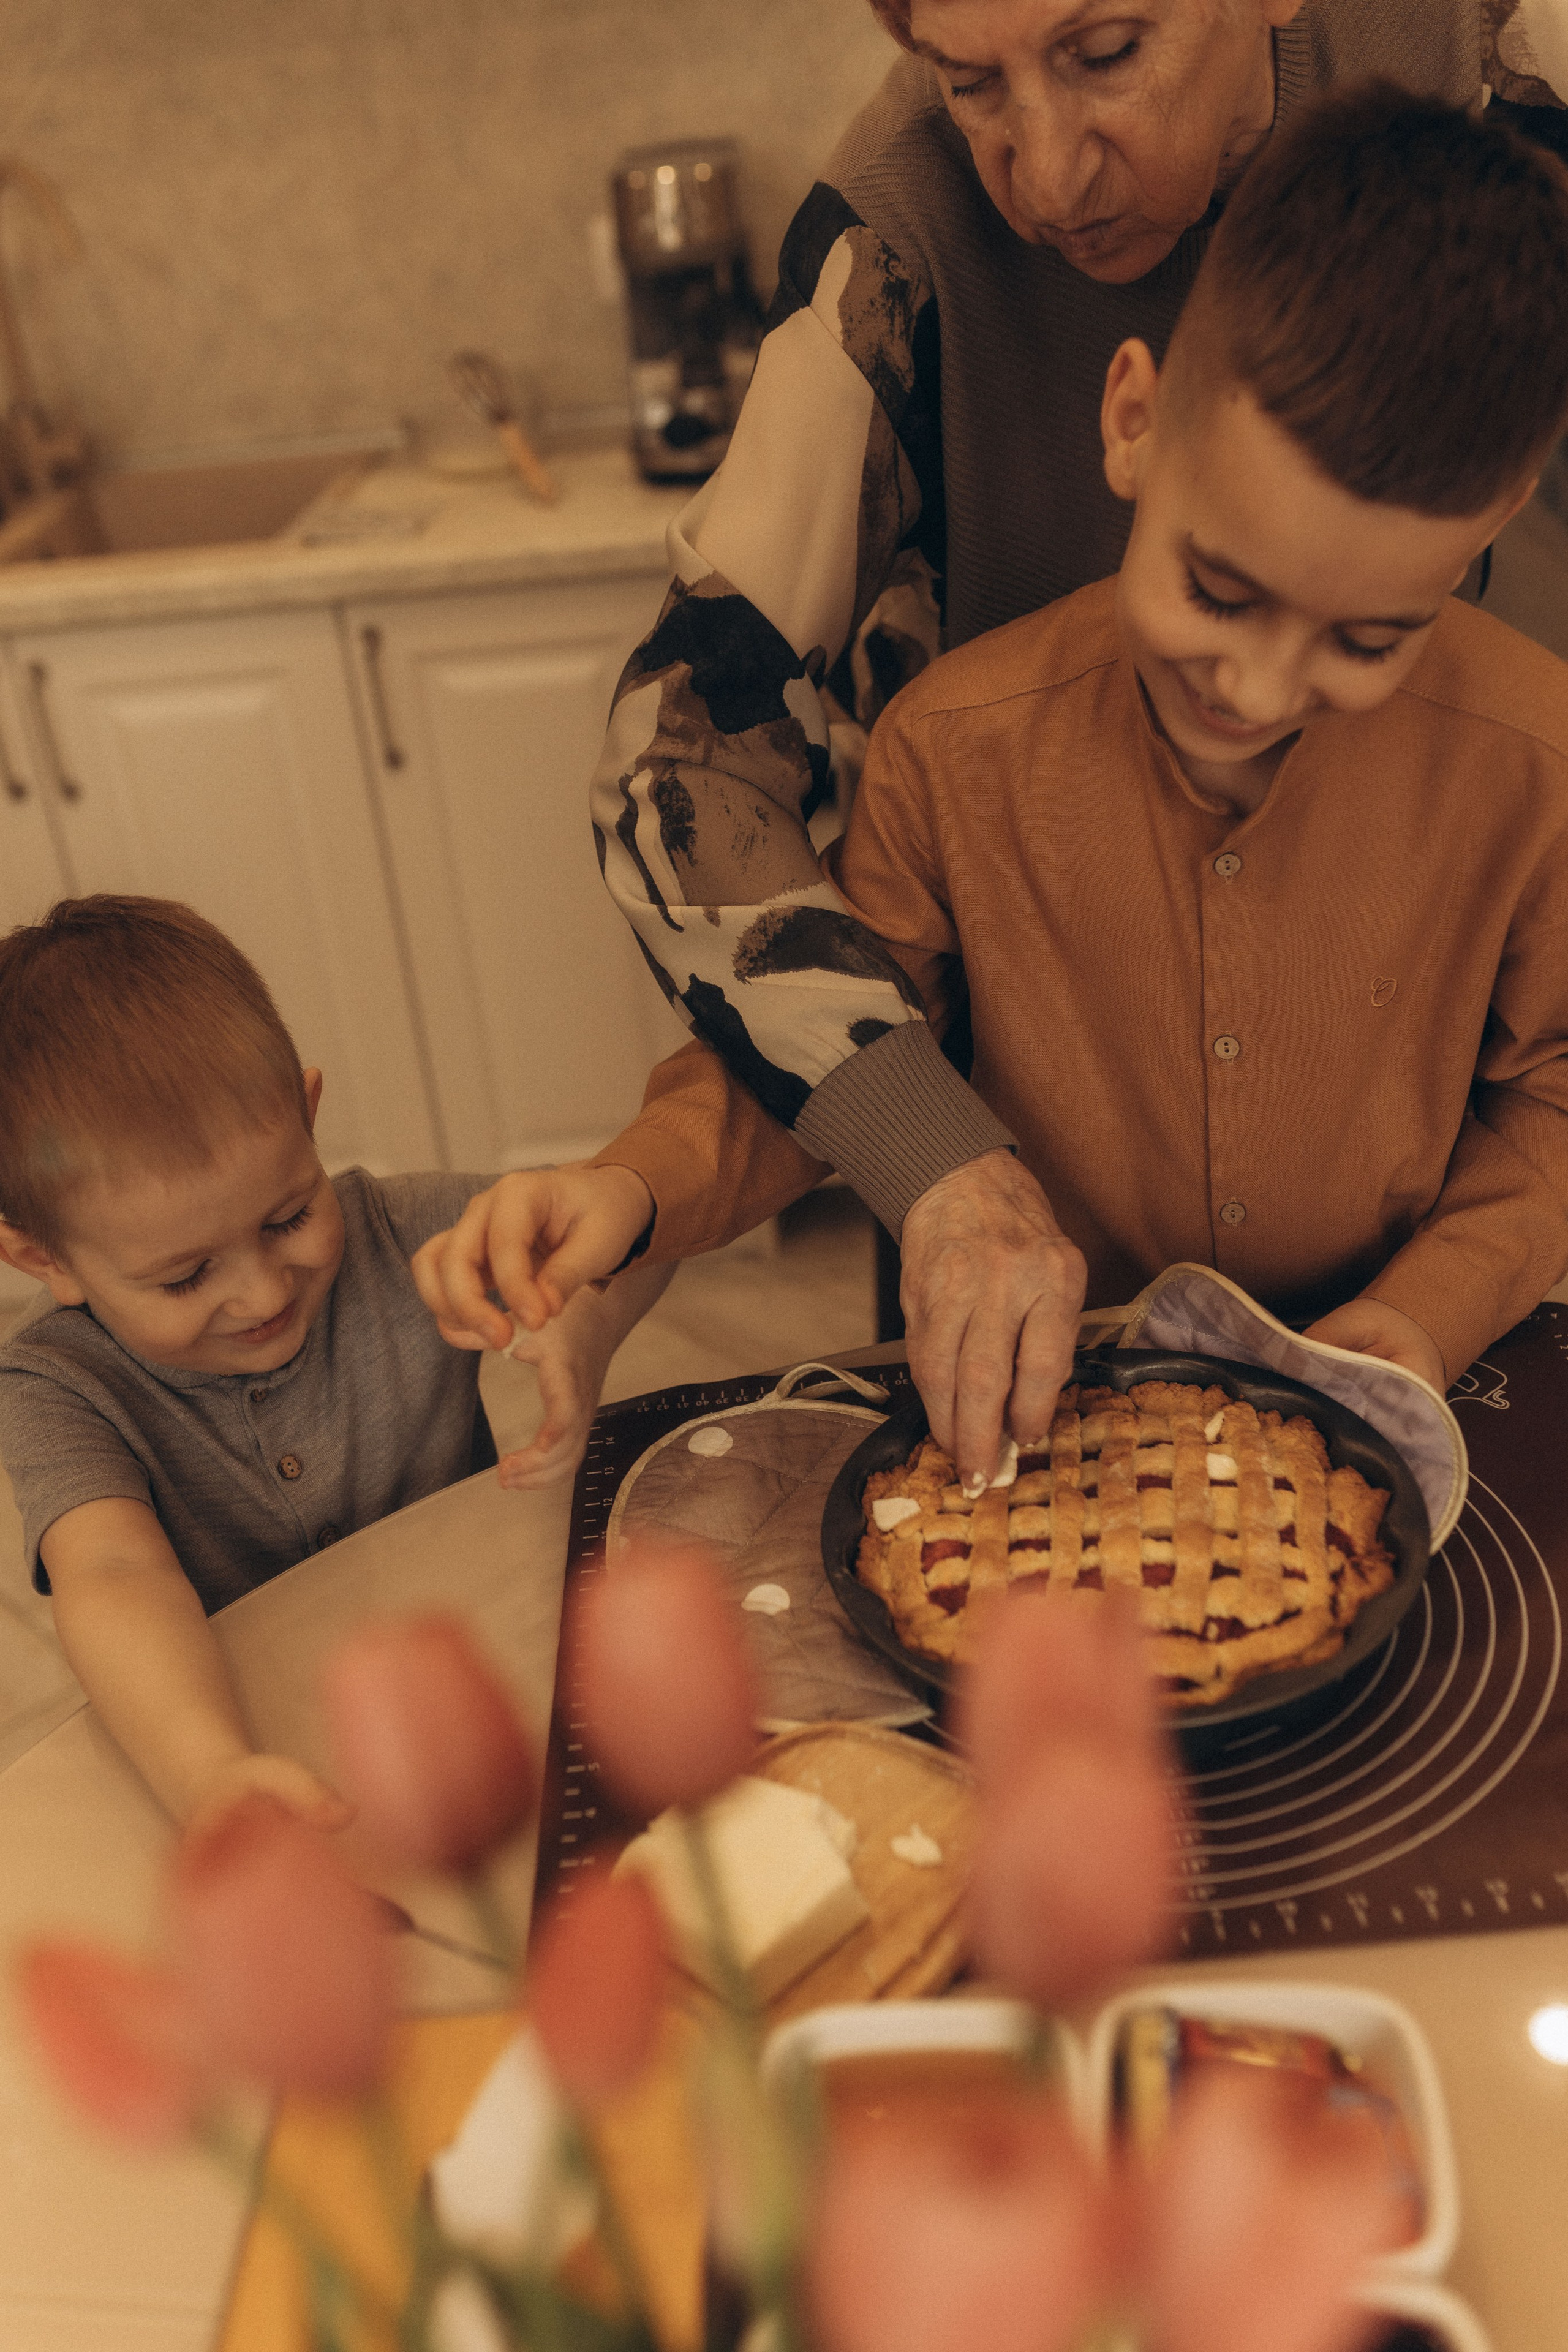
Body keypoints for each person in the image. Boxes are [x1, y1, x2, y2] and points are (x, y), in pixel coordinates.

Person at [422, 88, 1568, 1471]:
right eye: (1216, 589)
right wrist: (629, 1184)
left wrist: (1423, 1315)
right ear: (1133, 420)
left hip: (1406, 1414)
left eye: (1368, 640)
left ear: (1481, 542)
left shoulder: (1534, 761)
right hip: (1048, 1431)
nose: (1256, 692)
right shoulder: (952, 748)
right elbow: (840, 1055)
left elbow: (1554, 1095)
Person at [0, 898, 669, 1830]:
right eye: (187, 1275)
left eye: (287, 1219)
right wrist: (210, 1777)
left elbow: (640, 1221)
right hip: (259, 1733)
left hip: (485, 1668)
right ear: (47, 1260)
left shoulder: (399, 1229)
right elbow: (112, 1573)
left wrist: (588, 1321)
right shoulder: (55, 1389)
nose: (265, 1293)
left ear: (308, 1119)